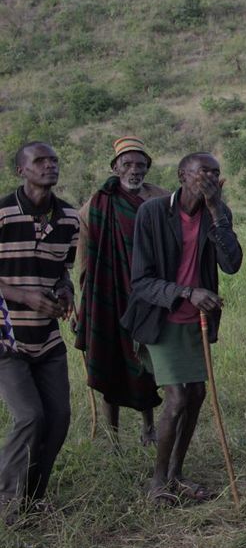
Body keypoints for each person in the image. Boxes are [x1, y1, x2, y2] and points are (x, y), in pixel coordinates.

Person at [123, 152, 243, 505]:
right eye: (201, 171)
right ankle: (158, 481)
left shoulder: (217, 212)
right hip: (162, 317)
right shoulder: (153, 212)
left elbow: (232, 264)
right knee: (176, 400)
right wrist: (187, 292)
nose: (209, 177)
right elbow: (141, 281)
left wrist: (218, 211)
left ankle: (176, 473)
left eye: (215, 172)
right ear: (181, 175)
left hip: (199, 321)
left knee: (197, 396)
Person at [0, 142, 80, 520]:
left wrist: (65, 292)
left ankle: (32, 500)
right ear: (21, 170)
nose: (49, 166)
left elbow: (63, 269)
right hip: (6, 337)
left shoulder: (68, 217)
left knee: (59, 419)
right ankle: (6, 503)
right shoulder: (2, 213)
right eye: (40, 161)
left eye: (53, 160)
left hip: (47, 338)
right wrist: (23, 295)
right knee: (30, 416)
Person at [75, 136, 167, 446]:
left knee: (147, 365)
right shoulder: (96, 204)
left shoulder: (163, 199)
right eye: (127, 164)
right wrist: (82, 307)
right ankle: (112, 437)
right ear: (115, 167)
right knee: (109, 359)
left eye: (140, 165)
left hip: (150, 297)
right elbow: (85, 261)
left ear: (147, 169)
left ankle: (149, 428)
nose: (134, 170)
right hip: (108, 296)